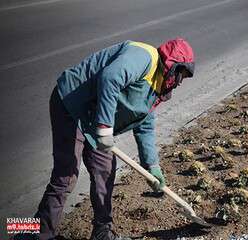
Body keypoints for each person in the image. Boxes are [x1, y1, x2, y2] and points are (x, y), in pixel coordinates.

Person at [14, 38, 195, 240]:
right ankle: (32, 234)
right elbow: (110, 78)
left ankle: (102, 232)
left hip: (95, 117)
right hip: (72, 104)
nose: (180, 82)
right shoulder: (144, 57)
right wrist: (104, 127)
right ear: (173, 66)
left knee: (105, 171)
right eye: (181, 75)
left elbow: (144, 124)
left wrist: (152, 166)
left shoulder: (158, 86)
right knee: (65, 176)